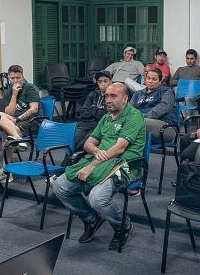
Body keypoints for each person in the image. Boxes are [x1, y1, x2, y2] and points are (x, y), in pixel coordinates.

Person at [52, 83, 146, 250]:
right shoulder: (105, 118)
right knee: (60, 185)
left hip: (125, 165)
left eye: (113, 96)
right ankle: (91, 218)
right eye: (106, 96)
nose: (107, 100)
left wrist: (92, 165)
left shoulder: (134, 116)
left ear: (125, 98)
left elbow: (119, 148)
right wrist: (96, 151)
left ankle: (122, 226)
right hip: (102, 160)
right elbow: (89, 143)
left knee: (97, 198)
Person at [0, 65, 40, 184]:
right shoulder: (9, 91)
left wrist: (17, 119)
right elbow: (8, 112)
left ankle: (6, 171)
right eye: (13, 78)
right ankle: (17, 139)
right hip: (15, 124)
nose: (15, 81)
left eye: (18, 78)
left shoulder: (30, 88)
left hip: (32, 123)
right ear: (9, 79)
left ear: (23, 77)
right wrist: (14, 95)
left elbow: (34, 109)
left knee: (6, 132)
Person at [131, 68, 176, 143]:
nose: (150, 81)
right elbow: (130, 109)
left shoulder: (166, 92)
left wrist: (140, 117)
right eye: (148, 78)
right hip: (140, 123)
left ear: (160, 81)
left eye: (154, 79)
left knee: (134, 123)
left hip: (165, 127)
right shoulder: (138, 94)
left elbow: (162, 108)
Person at [74, 70, 112, 151]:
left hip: (99, 127)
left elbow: (106, 116)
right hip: (85, 124)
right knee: (73, 140)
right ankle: (68, 161)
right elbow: (83, 114)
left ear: (111, 81)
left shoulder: (112, 97)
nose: (103, 84)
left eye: (105, 81)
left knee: (83, 144)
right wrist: (97, 112)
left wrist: (92, 109)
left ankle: (71, 161)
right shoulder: (92, 94)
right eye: (100, 81)